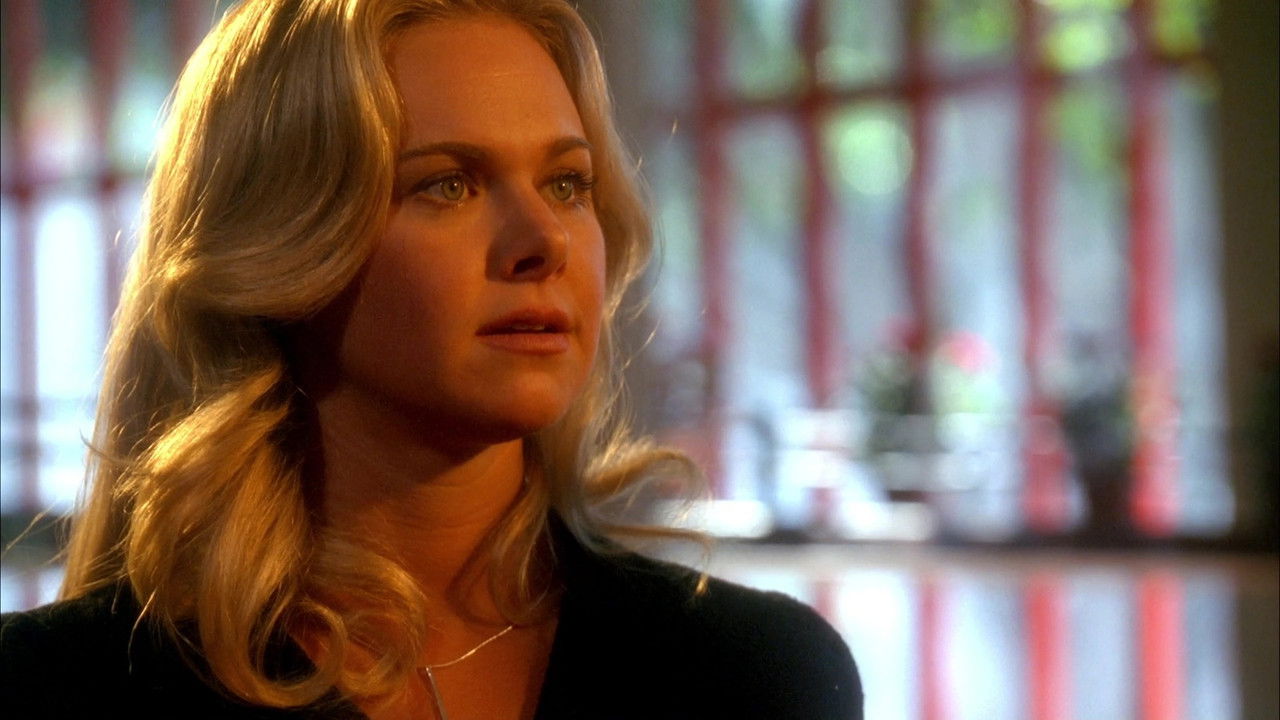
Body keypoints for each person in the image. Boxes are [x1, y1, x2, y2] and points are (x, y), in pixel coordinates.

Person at [0, 1, 862, 718]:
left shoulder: (755, 674)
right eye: (448, 184)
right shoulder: (57, 687)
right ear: (284, 243)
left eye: (568, 183)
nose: (543, 242)